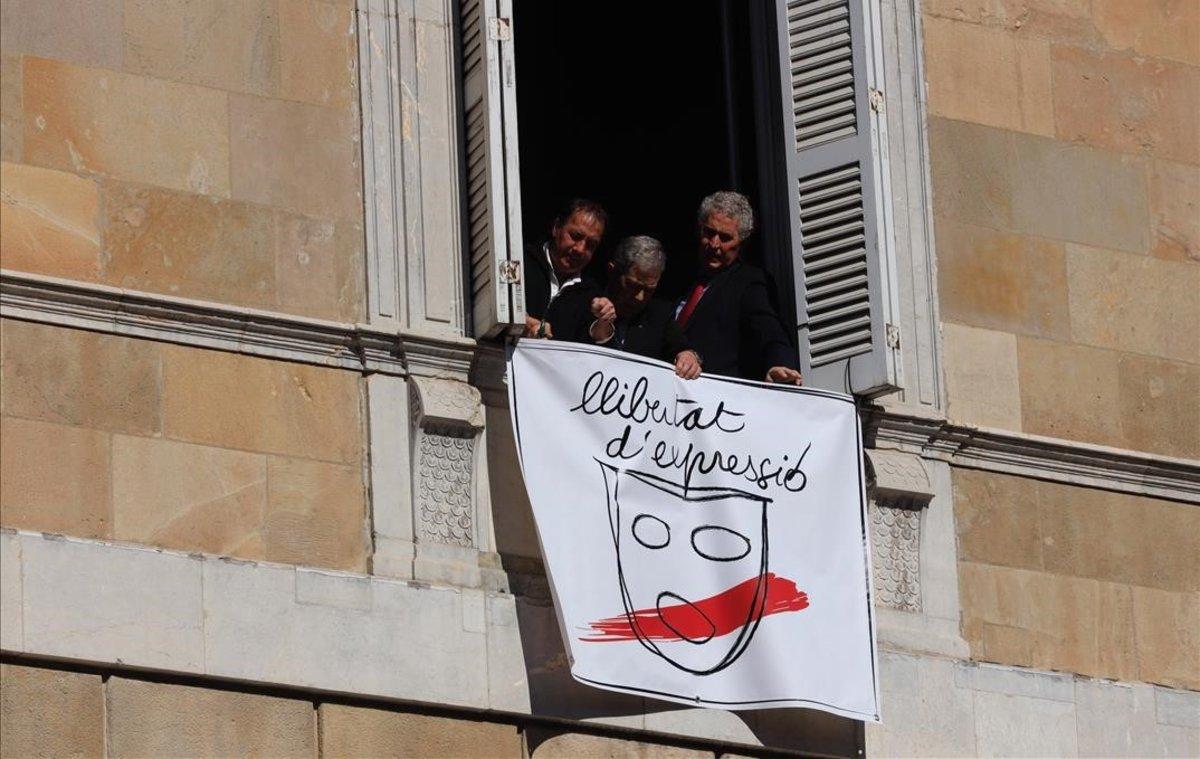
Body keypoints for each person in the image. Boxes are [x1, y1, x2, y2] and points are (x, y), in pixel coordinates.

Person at [675, 191, 802, 384]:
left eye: (725, 238)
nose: (714, 244)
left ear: (742, 243)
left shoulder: (749, 282)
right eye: (709, 233)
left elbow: (769, 329)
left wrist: (779, 364)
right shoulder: (681, 277)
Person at [584, 236, 702, 380]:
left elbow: (680, 346)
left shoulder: (660, 315)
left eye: (648, 290)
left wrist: (688, 356)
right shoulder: (584, 298)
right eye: (633, 286)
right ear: (612, 271)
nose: (639, 297)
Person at [523, 198, 607, 341]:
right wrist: (521, 323)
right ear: (556, 228)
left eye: (591, 245)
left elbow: (593, 346)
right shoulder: (521, 262)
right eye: (575, 236)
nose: (580, 249)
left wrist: (604, 323)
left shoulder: (592, 295)